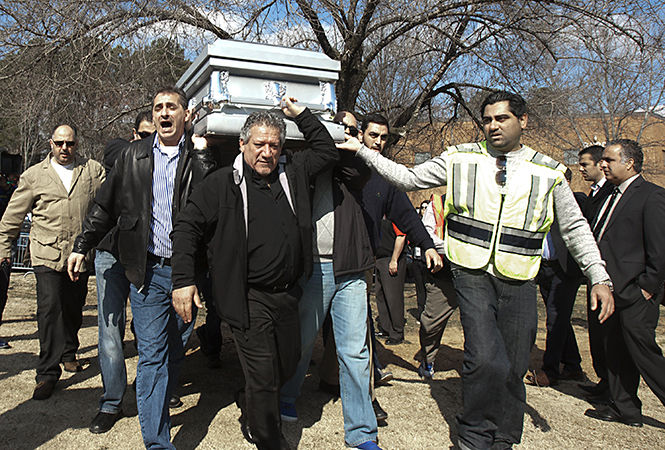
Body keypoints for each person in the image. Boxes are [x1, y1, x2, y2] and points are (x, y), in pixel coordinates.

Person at [338, 90, 614, 449]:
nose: (493, 126)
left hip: (519, 279)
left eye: (502, 118)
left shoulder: (547, 172)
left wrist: (598, 275)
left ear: (523, 121)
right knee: (483, 358)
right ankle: (474, 435)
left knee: (513, 364)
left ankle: (503, 436)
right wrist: (361, 150)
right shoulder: (459, 159)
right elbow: (407, 178)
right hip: (471, 273)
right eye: (487, 119)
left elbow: (575, 228)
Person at [171, 98, 339, 450]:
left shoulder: (292, 174)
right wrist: (183, 280)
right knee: (263, 375)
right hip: (248, 297)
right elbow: (186, 227)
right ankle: (268, 437)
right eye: (259, 144)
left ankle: (249, 402)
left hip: (289, 294)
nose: (266, 152)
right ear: (242, 144)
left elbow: (326, 151)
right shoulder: (222, 184)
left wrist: (302, 115)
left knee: (288, 363)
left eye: (274, 145)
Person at [68, 86, 216, 449]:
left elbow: (213, 212)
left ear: (186, 114)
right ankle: (157, 441)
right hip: (147, 273)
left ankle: (159, 402)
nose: (164, 113)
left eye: (171, 107)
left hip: (187, 276)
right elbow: (104, 207)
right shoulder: (132, 157)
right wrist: (82, 246)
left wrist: (204, 156)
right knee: (152, 355)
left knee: (175, 348)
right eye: (158, 108)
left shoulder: (199, 158)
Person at [277, 107, 381, 449]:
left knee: (355, 352)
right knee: (304, 341)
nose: (345, 134)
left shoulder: (353, 167)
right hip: (315, 268)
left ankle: (362, 432)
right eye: (340, 128)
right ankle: (287, 395)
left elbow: (355, 166)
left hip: (350, 268)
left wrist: (351, 143)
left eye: (351, 129)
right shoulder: (301, 163)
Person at [0, 124, 105, 400]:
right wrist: (3, 248)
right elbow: (12, 216)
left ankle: (69, 353)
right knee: (49, 308)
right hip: (46, 254)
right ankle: (46, 373)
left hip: (78, 255)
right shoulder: (34, 176)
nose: (64, 149)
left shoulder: (91, 171)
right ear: (51, 143)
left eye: (69, 143)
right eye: (59, 143)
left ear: (76, 143)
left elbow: (110, 201)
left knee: (73, 307)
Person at [584, 139, 665, 427]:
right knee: (614, 349)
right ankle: (625, 409)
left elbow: (660, 248)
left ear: (630, 163)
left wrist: (646, 286)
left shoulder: (652, 196)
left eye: (609, 159)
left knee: (643, 352)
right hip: (610, 288)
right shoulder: (608, 193)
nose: (602, 164)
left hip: (636, 291)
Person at [88, 111, 155, 434]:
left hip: (145, 256)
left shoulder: (167, 165)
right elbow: (113, 151)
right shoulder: (121, 151)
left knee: (150, 331)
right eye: (144, 135)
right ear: (134, 134)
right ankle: (111, 401)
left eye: (154, 136)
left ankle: (150, 391)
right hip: (109, 253)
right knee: (110, 329)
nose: (150, 142)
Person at [527, 168, 587, 387]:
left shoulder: (576, 201)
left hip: (565, 270)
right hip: (544, 268)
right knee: (559, 319)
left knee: (555, 317)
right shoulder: (540, 203)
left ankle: (550, 371)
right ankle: (573, 365)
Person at [577, 144, 614, 399]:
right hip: (596, 274)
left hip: (613, 274)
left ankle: (615, 389)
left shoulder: (612, 192)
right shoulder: (594, 193)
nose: (581, 169)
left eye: (585, 165)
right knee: (598, 334)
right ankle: (605, 383)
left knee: (614, 337)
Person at [415, 194, 458, 380]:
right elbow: (427, 234)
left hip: (478, 275)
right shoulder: (439, 203)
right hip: (443, 274)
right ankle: (428, 359)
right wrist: (456, 248)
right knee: (430, 323)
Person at [374, 220, 408, 344]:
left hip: (392, 259)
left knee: (393, 298)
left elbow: (401, 236)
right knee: (380, 295)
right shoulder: (379, 213)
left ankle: (397, 333)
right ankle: (386, 328)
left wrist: (394, 259)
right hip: (380, 259)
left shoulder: (395, 215)